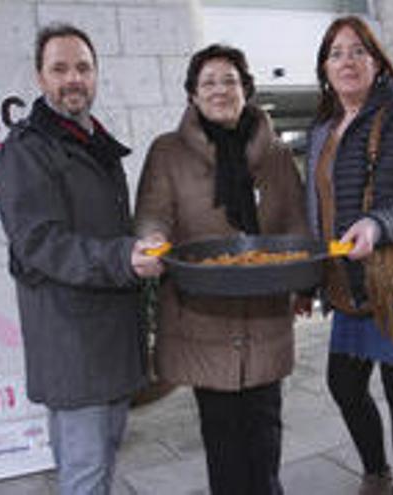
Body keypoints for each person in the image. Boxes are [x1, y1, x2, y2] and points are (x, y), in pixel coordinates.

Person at [0, 23, 158, 495]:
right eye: (59, 68)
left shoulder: (91, 142)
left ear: (96, 74)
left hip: (111, 339)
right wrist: (125, 256)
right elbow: (39, 243)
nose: (73, 79)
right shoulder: (26, 151)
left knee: (100, 464)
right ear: (40, 78)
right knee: (85, 473)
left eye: (83, 67)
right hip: (72, 345)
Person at [133, 44, 308, 495]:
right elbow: (153, 213)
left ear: (246, 89)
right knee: (224, 444)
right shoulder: (168, 152)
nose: (219, 90)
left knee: (266, 439)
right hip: (204, 315)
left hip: (266, 313)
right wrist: (152, 240)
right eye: (208, 82)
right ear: (192, 94)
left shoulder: (275, 155)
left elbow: (294, 223)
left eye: (229, 80)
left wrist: (304, 278)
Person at [305, 16, 393, 495]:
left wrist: (375, 224)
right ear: (324, 67)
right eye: (337, 52)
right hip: (346, 282)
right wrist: (310, 280)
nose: (347, 61)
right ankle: (376, 470)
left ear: (377, 62)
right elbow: (316, 207)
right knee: (343, 383)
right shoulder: (324, 127)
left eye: (358, 51)